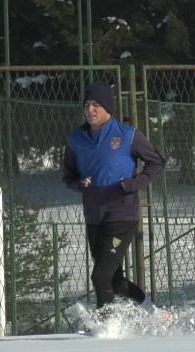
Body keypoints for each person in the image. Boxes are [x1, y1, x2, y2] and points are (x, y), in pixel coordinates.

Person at [62, 80, 165, 311]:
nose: (90, 110)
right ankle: (154, 313)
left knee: (100, 276)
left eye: (96, 104)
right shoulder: (76, 139)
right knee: (114, 280)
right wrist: (80, 183)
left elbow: (156, 162)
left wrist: (133, 184)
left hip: (122, 214)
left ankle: (106, 326)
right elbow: (67, 176)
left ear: (108, 107)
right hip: (94, 216)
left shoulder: (128, 135)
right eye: (87, 104)